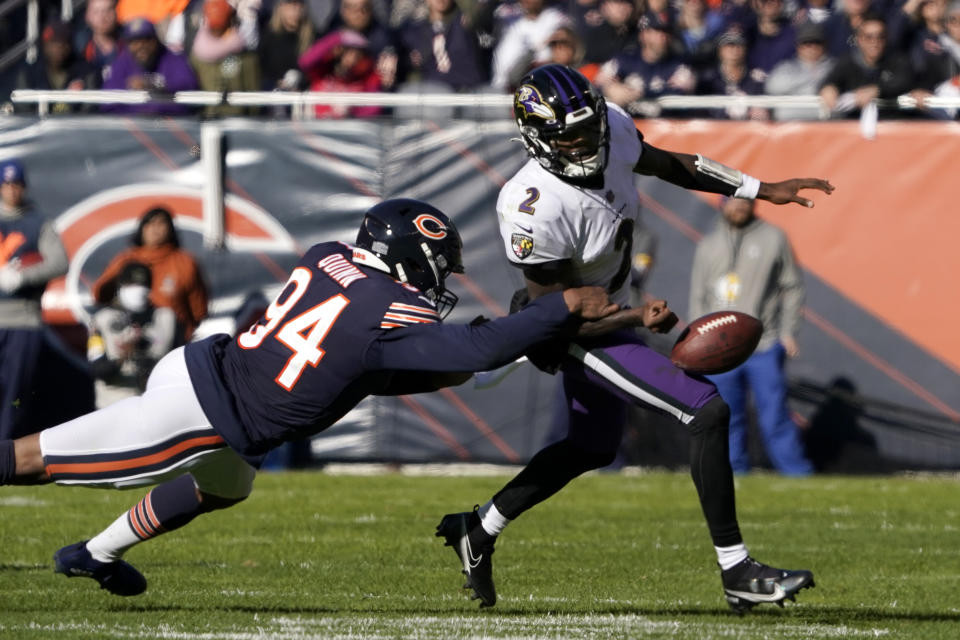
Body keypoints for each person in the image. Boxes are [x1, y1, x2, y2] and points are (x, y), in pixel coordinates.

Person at [0, 198, 618, 596]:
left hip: (203, 371)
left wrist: (504, 344)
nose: (436, 283)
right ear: (405, 259)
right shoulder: (386, 308)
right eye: (433, 267)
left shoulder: (328, 257)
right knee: (29, 460)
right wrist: (560, 308)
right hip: (204, 413)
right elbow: (466, 356)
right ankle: (91, 547)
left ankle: (95, 554)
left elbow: (391, 363)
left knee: (223, 487)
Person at [434, 64, 833, 613]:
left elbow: (672, 163)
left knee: (592, 446)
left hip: (610, 307)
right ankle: (738, 570)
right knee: (706, 410)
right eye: (569, 136)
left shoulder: (612, 127)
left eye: (589, 127)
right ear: (537, 138)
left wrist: (760, 188)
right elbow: (557, 316)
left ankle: (478, 529)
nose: (586, 142)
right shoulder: (532, 204)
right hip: (571, 326)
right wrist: (633, 318)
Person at [689, 197, 813, 476]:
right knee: (726, 417)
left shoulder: (773, 238)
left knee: (775, 416)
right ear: (722, 203)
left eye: (744, 200)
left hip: (764, 345)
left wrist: (788, 331)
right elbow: (698, 297)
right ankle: (734, 475)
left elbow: (793, 286)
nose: (738, 206)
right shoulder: (709, 244)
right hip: (721, 351)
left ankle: (797, 474)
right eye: (732, 201)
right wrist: (699, 345)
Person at [0, 159, 69, 440]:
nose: (12, 190)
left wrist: (24, 276)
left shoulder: (38, 221)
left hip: (23, 317)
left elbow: (59, 262)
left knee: (16, 389)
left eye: (17, 184)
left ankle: (4, 449)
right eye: (6, 185)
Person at [92, 207, 208, 346]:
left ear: (171, 229)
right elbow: (100, 294)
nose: (155, 228)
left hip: (172, 343)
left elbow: (198, 311)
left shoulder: (185, 263)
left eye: (161, 223)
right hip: (129, 343)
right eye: (150, 223)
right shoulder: (125, 261)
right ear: (141, 229)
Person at [88, 261, 179, 393]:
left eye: (143, 285)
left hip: (154, 399)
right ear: (120, 287)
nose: (138, 290)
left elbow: (179, 362)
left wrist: (148, 357)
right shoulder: (101, 320)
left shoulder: (166, 317)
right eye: (131, 284)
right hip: (115, 403)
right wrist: (125, 355)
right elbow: (99, 370)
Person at [818, 13, 913, 119]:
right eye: (869, 37)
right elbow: (830, 80)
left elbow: (905, 82)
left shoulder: (898, 60)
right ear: (859, 39)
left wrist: (877, 90)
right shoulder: (848, 63)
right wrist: (829, 87)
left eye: (880, 36)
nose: (875, 42)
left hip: (891, 125)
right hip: (853, 126)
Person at [101, 18, 199, 115]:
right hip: (130, 125)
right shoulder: (121, 64)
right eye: (134, 42)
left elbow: (189, 85)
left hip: (170, 124)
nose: (141, 46)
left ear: (156, 41)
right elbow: (108, 103)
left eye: (146, 40)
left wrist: (154, 85)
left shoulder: (173, 59)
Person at [188, 0, 261, 116]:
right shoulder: (197, 56)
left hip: (238, 120)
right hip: (208, 118)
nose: (217, 30)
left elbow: (252, 93)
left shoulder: (244, 57)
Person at [765, 21, 835, 121]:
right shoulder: (786, 67)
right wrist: (811, 78)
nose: (812, 47)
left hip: (827, 126)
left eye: (817, 42)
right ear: (798, 47)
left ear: (824, 45)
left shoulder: (834, 66)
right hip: (790, 125)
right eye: (807, 43)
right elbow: (772, 87)